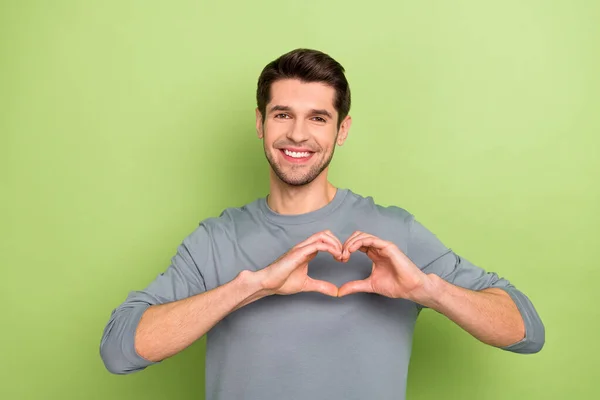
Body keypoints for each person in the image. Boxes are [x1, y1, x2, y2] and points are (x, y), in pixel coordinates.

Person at [100, 48, 545, 400]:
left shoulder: (394, 232)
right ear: (260, 122)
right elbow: (119, 350)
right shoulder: (215, 240)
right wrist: (251, 287)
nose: (297, 134)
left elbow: (526, 332)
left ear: (342, 130)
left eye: (318, 118)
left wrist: (428, 290)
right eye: (282, 115)